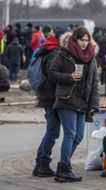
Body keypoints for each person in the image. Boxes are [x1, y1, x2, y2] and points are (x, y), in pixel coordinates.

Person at [49, 27, 99, 182]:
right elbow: (51, 73)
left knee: (78, 136)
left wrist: (94, 103)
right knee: (70, 133)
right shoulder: (64, 54)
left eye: (86, 40)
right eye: (81, 40)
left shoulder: (91, 57)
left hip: (83, 101)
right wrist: (69, 77)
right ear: (75, 39)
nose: (84, 43)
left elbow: (95, 82)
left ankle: (63, 166)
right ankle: (64, 168)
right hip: (66, 99)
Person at [32, 27, 61, 177]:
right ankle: (42, 164)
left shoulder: (48, 49)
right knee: (52, 131)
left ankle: (41, 163)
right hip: (51, 97)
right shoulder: (55, 53)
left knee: (51, 131)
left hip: (45, 95)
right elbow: (53, 76)